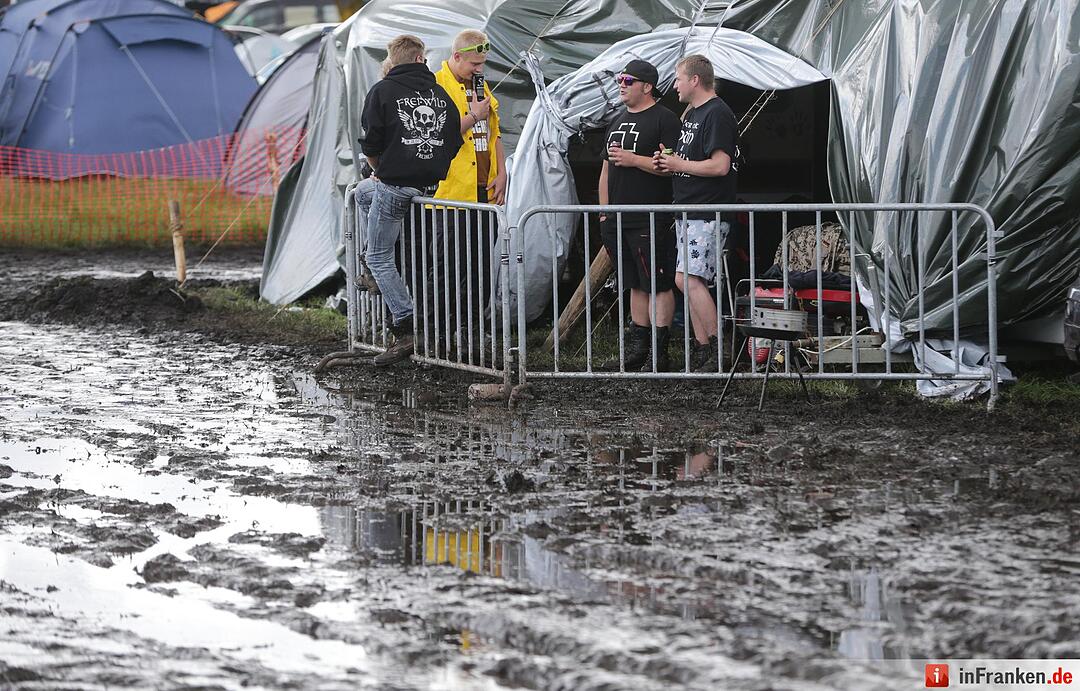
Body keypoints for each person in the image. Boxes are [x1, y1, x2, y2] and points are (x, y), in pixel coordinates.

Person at [356, 34, 463, 366]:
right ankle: (374, 265)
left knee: (379, 257)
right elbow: (455, 136)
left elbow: (370, 143)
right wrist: (432, 166)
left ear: (394, 60)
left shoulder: (382, 91)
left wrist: (380, 169)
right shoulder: (440, 94)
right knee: (362, 193)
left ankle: (405, 324)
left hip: (394, 185)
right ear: (420, 59)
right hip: (427, 187)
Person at [416, 29, 507, 358]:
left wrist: (502, 172)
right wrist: (472, 116)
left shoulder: (479, 85)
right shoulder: (436, 86)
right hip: (452, 196)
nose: (479, 68)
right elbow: (434, 133)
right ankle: (436, 334)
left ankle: (471, 332)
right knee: (447, 268)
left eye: (483, 63)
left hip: (484, 195)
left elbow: (494, 133)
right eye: (473, 63)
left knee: (481, 268)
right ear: (456, 57)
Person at [655, 54, 739, 372]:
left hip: (707, 211)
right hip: (688, 210)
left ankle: (720, 349)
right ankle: (705, 352)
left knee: (689, 279)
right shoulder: (693, 113)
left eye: (678, 78)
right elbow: (693, 159)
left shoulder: (717, 113)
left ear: (694, 80)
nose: (674, 85)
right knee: (686, 279)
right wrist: (670, 159)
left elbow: (720, 165)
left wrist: (678, 164)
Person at [598, 59, 682, 371]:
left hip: (652, 216)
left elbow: (671, 168)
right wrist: (604, 214)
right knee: (633, 282)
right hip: (618, 217)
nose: (621, 84)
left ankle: (660, 354)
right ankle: (637, 350)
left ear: (647, 86)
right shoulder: (616, 119)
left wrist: (635, 160)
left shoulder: (666, 120)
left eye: (628, 80)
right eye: (620, 79)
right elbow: (605, 168)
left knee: (658, 283)